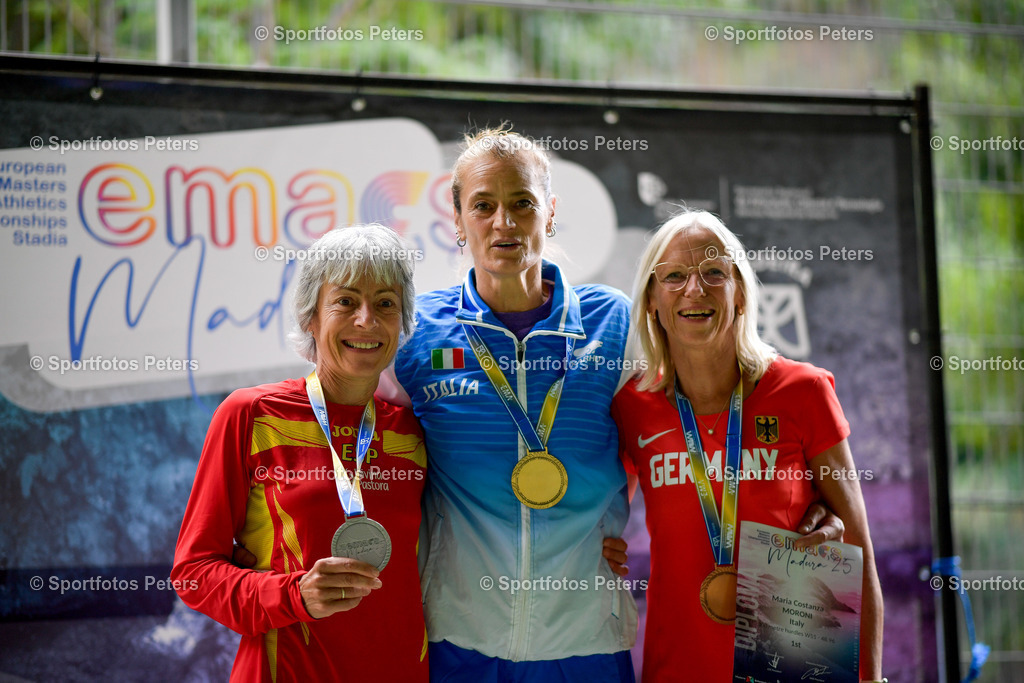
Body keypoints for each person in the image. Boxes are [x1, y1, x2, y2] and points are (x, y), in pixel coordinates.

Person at [382, 127, 639, 681]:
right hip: (459, 636)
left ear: (549, 213)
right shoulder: (417, 332)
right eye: (483, 205)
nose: (504, 222)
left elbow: (664, 431)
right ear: (456, 220)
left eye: (522, 203)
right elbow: (364, 443)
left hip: (585, 636)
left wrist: (609, 525)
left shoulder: (612, 323)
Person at [611, 210, 884, 682]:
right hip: (678, 667)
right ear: (652, 300)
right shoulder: (632, 406)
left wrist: (873, 679)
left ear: (740, 293)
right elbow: (592, 507)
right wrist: (590, 547)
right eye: (674, 276)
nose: (694, 289)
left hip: (791, 667)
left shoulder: (803, 391)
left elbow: (858, 551)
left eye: (714, 272)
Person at [171, 224, 429, 682]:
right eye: (345, 301)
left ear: (402, 321)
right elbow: (193, 573)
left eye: (385, 304)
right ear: (312, 316)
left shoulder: (414, 431)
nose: (366, 320)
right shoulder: (252, 414)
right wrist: (292, 595)